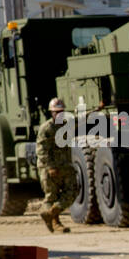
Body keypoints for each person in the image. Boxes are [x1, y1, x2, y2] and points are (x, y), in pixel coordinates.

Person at [36, 97, 77, 233]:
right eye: (56, 112)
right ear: (51, 113)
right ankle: (56, 223)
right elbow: (41, 150)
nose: (58, 114)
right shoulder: (46, 128)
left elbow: (80, 119)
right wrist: (50, 167)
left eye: (61, 111)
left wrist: (98, 110)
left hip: (64, 165)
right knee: (51, 196)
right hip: (49, 167)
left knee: (73, 191)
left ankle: (51, 213)